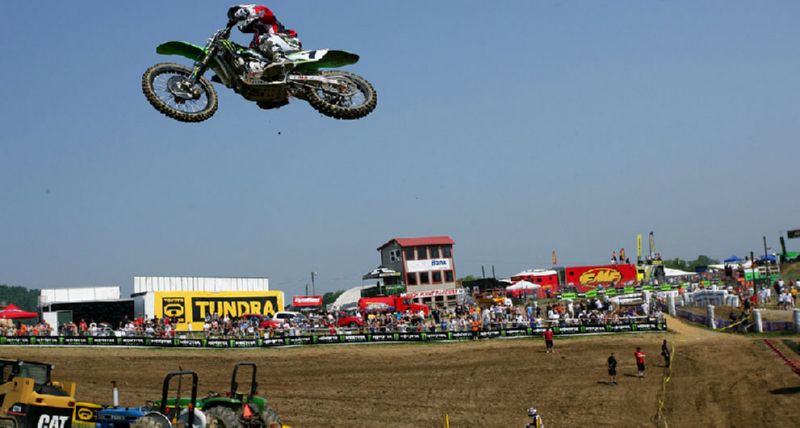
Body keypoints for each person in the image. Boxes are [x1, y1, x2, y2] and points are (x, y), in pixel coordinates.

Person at [227, 4, 302, 77]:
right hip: (275, 52)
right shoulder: (255, 40)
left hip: (289, 42)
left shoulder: (267, 21)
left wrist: (248, 11)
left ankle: (281, 59)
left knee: (263, 38)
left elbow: (264, 10)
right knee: (251, 52)